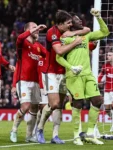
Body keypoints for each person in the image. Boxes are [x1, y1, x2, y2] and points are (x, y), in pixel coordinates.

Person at [56, 8, 110, 145]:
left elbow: (105, 32)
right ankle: (76, 135)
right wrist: (71, 68)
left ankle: (91, 133)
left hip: (88, 74)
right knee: (78, 103)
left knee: (98, 100)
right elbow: (58, 57)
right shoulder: (66, 38)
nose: (80, 20)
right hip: (74, 75)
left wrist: (98, 17)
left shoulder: (86, 36)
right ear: (71, 24)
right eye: (76, 19)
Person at [36, 10, 90, 144]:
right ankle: (40, 128)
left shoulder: (69, 30)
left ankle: (55, 136)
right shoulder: (52, 32)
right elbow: (59, 51)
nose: (71, 24)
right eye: (68, 23)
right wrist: (75, 42)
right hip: (51, 72)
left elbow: (87, 29)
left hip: (65, 72)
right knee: (53, 104)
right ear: (60, 24)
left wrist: (73, 33)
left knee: (59, 105)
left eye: (71, 22)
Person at [10, 22, 47, 143]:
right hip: (23, 81)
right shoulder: (22, 44)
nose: (37, 30)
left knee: (34, 109)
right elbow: (20, 37)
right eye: (34, 27)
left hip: (36, 82)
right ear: (27, 30)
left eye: (37, 28)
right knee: (25, 106)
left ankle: (29, 135)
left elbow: (48, 54)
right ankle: (14, 130)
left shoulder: (38, 46)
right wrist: (13, 85)